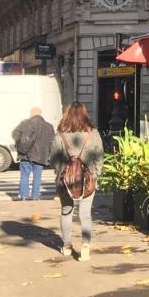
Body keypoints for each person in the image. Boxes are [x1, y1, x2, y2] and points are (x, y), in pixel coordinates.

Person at [49, 102, 105, 261]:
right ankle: (85, 247)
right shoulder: (92, 133)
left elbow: (52, 158)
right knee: (85, 214)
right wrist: (95, 174)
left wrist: (60, 172)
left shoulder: (60, 134)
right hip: (88, 179)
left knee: (66, 212)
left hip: (65, 181)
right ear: (84, 114)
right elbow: (99, 156)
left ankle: (67, 246)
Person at [12, 107, 55, 202]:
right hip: (41, 156)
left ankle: (23, 196)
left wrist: (19, 145)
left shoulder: (25, 124)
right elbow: (52, 142)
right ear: (40, 114)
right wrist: (50, 155)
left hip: (25, 154)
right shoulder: (49, 126)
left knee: (24, 176)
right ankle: (35, 197)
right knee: (37, 177)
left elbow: (15, 135)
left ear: (31, 113)